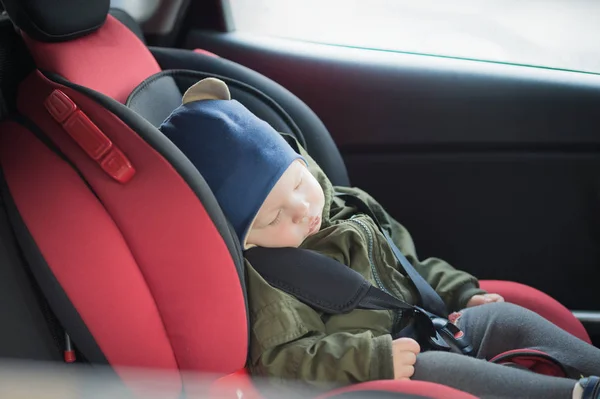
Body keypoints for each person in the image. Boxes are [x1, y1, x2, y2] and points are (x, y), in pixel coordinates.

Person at [159, 77, 600, 399]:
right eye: (274, 216)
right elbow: (281, 360)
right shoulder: (272, 278)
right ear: (245, 239)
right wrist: (373, 359)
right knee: (439, 371)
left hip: (425, 323)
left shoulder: (348, 205)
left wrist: (459, 290)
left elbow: (408, 264)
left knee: (502, 321)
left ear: (299, 162)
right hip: (378, 369)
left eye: (297, 186)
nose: (302, 211)